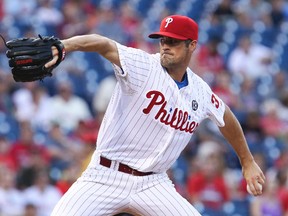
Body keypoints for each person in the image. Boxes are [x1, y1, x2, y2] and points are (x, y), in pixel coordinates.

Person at [46, 15, 265, 216]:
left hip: (152, 184)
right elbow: (102, 44)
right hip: (105, 175)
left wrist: (247, 161)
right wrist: (65, 46)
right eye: (163, 40)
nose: (166, 47)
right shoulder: (143, 65)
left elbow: (226, 118)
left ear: (192, 45)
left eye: (173, 42)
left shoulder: (201, 91)